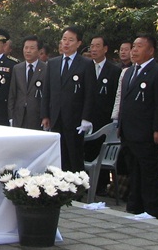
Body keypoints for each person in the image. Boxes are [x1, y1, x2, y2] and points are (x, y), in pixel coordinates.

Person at [117, 34, 158, 217]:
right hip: (128, 131)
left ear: (151, 50)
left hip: (146, 132)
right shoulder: (129, 71)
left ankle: (151, 208)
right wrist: (120, 124)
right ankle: (134, 205)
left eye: (139, 47)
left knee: (149, 172)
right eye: (133, 47)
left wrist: (157, 128)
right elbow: (124, 101)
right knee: (133, 171)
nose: (134, 50)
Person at [41, 26, 95, 173]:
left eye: (71, 40)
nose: (66, 43)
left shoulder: (86, 64)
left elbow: (90, 93)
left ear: (78, 43)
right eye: (64, 39)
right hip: (56, 117)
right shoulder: (53, 63)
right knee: (58, 156)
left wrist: (86, 118)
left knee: (74, 156)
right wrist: (45, 114)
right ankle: (59, 190)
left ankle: (77, 191)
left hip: (75, 118)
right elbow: (47, 91)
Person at [86, 36, 121, 193]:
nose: (93, 49)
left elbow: (116, 97)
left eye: (97, 46)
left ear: (105, 49)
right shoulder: (85, 67)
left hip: (104, 120)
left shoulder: (114, 71)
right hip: (86, 119)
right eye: (91, 46)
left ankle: (100, 187)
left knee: (99, 151)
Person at [8, 36, 46, 130]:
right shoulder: (17, 68)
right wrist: (11, 116)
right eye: (26, 48)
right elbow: (12, 94)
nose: (28, 51)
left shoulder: (46, 69)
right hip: (19, 115)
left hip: (37, 117)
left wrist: (46, 116)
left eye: (32, 48)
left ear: (40, 51)